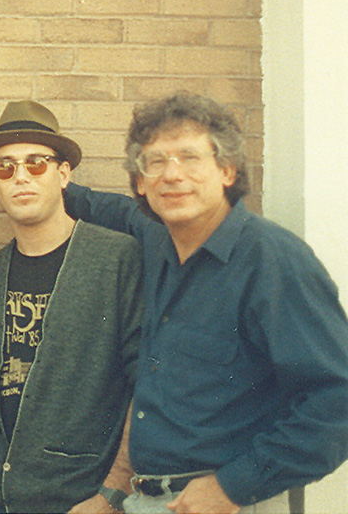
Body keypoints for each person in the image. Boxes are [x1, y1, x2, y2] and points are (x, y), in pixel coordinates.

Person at [60, 92, 348, 513]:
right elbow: (111, 209)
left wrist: (235, 486)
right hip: (148, 499)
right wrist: (41, 174)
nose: (172, 175)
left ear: (228, 170)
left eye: (190, 157)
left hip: (230, 503)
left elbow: (337, 400)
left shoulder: (273, 262)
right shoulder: (158, 241)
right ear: (140, 182)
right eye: (155, 162)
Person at [0, 100, 141, 513]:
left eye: (36, 163)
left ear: (64, 173)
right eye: (5, 167)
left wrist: (112, 493)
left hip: (77, 501)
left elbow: (145, 384)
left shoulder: (117, 260)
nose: (21, 177)